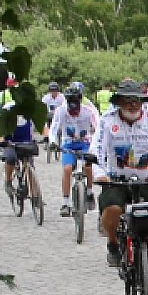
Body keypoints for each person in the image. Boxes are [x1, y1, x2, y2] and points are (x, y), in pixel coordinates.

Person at [91, 80, 148, 295]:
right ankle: (113, 243)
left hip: (146, 180)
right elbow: (97, 150)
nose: (132, 104)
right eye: (127, 100)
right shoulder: (107, 122)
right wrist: (100, 173)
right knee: (112, 209)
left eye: (136, 99)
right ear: (118, 101)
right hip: (116, 180)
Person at [50, 84, 99, 217]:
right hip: (68, 143)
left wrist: (95, 146)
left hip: (85, 143)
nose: (74, 110)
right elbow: (54, 128)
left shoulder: (88, 111)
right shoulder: (61, 111)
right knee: (67, 169)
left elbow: (99, 128)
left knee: (87, 166)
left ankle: (89, 192)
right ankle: (65, 202)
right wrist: (53, 142)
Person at [0, 95, 40, 200]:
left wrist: (47, 136)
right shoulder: (8, 109)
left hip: (26, 143)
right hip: (10, 142)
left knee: (29, 166)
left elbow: (42, 125)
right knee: (11, 158)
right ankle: (8, 181)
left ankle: (36, 195)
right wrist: (2, 140)